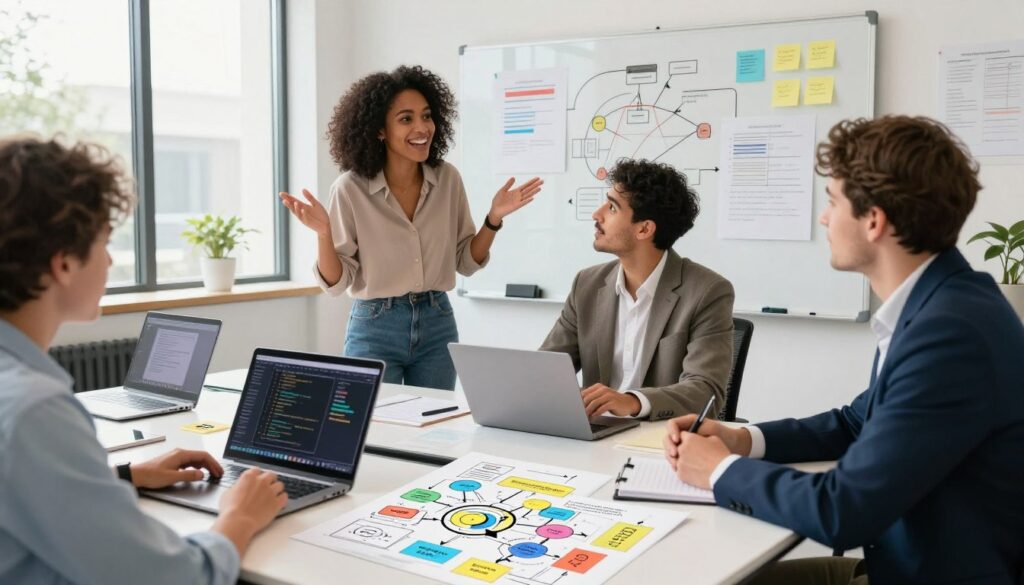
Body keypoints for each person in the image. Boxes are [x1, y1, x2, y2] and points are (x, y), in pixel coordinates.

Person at [663, 116, 1024, 584]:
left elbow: (843, 510)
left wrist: (719, 470)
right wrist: (742, 440)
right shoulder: (941, 304)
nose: (824, 216)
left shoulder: (950, 334)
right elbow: (858, 421)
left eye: (833, 201)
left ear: (874, 220)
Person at [0, 136, 287, 584]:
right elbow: (172, 578)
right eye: (105, 243)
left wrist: (123, 476)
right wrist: (241, 517)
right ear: (63, 264)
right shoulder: (33, 410)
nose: (111, 260)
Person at [280, 65, 541, 390]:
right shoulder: (350, 189)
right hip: (375, 324)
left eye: (427, 116)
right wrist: (324, 234)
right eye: (406, 119)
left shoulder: (447, 179)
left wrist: (494, 218)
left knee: (434, 432)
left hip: (437, 321)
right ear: (379, 130)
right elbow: (336, 283)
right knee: (372, 428)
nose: (422, 127)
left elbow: (465, 261)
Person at [539, 158, 734, 421]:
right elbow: (546, 369)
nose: (597, 215)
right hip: (595, 434)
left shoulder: (707, 292)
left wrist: (632, 402)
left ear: (644, 229)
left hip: (661, 440)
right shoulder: (586, 284)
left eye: (612, 207)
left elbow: (705, 391)